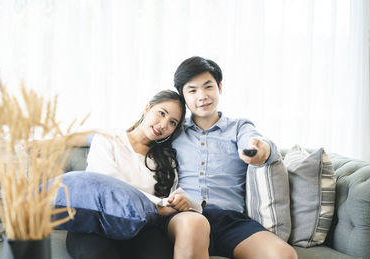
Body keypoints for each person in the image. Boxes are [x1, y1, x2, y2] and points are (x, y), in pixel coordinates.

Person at [170, 56, 298, 259]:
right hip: (186, 216)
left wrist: (259, 151)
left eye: (208, 87)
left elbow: (256, 141)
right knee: (194, 225)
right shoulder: (174, 131)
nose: (202, 96)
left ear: (220, 87)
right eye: (192, 90)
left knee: (282, 255)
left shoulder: (239, 127)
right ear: (183, 96)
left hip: (230, 220)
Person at [66, 90, 210, 259]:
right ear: (147, 108)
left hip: (142, 230)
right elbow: (110, 187)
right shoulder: (108, 139)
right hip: (96, 225)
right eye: (161, 113)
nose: (163, 124)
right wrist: (157, 207)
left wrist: (177, 202)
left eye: (172, 122)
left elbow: (168, 198)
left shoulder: (166, 160)